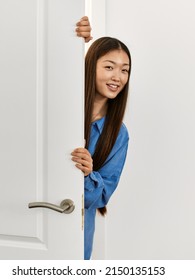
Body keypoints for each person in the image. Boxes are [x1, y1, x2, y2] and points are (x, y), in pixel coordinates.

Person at [72, 17, 131, 260]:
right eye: (109, 67)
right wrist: (74, 41)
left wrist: (88, 174)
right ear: (90, 66)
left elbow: (101, 196)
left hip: (76, 235)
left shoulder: (118, 133)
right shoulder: (64, 105)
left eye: (124, 70)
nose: (118, 76)